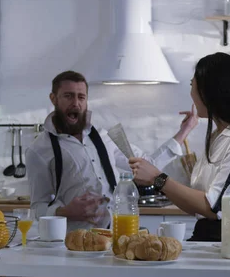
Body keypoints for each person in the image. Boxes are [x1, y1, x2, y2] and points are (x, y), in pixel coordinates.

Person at [129, 52, 230, 242]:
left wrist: (157, 178)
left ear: (210, 91)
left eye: (193, 86)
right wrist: (157, 182)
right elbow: (195, 206)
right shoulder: (218, 136)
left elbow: (214, 206)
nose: (191, 93)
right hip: (209, 238)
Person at [26, 70, 197, 232]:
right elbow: (37, 208)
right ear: (53, 98)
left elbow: (147, 165)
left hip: (118, 234)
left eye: (81, 97)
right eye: (68, 96)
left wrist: (185, 130)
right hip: (74, 242)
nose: (76, 103)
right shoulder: (39, 150)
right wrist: (64, 211)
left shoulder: (104, 137)